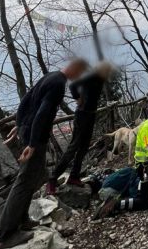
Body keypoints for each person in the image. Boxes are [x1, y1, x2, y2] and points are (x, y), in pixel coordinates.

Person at [0, 59, 87, 249]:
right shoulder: (58, 84)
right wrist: (32, 143)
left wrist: (19, 125)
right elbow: (43, 113)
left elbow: (26, 101)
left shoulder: (49, 76)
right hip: (34, 137)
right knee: (24, 181)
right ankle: (5, 236)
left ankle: (22, 221)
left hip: (27, 130)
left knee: (33, 177)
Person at [46, 61, 112, 195]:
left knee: (84, 147)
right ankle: (52, 179)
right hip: (82, 114)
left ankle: (74, 176)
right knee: (74, 147)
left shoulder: (100, 79)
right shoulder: (90, 76)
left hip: (91, 115)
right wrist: (77, 98)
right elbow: (73, 85)